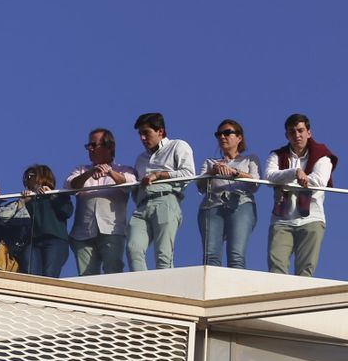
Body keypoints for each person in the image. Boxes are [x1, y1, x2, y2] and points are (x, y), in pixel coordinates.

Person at [265, 113, 337, 277]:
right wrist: (296, 172)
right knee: (276, 269)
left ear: (308, 133)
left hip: (311, 218)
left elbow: (319, 181)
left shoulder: (323, 155)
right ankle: (279, 302)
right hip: (282, 218)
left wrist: (285, 181)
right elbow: (269, 176)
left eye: (300, 130)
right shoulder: (277, 155)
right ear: (286, 135)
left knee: (305, 271)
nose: (297, 135)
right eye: (292, 132)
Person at [129, 112, 194, 270]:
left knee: (163, 254)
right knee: (133, 248)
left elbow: (189, 174)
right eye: (140, 134)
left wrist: (159, 175)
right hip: (142, 205)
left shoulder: (177, 145)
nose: (142, 138)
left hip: (166, 200)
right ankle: (141, 291)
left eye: (146, 133)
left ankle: (167, 292)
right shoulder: (140, 158)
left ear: (160, 131)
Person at [67, 129, 133, 275]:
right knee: (87, 278)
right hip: (83, 233)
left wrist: (109, 171)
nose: (90, 149)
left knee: (113, 271)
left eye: (93, 145)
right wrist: (90, 172)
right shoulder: (81, 170)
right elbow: (71, 185)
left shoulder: (124, 169)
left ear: (109, 147)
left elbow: (128, 183)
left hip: (112, 230)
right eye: (88, 146)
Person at [197, 120, 261, 269]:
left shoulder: (250, 159)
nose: (222, 137)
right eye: (218, 134)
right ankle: (213, 291)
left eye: (227, 133)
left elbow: (256, 183)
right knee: (210, 256)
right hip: (212, 206)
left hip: (241, 204)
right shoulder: (210, 162)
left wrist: (235, 173)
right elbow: (200, 186)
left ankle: (237, 290)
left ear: (239, 137)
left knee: (236, 256)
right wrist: (212, 171)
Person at [19, 165, 72, 277]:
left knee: (49, 275)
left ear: (42, 176)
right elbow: (13, 219)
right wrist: (22, 202)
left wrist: (52, 195)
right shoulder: (28, 199)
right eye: (26, 177)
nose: (27, 180)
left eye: (30, 176)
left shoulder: (59, 194)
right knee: (30, 275)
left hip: (55, 240)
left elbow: (67, 212)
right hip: (32, 242)